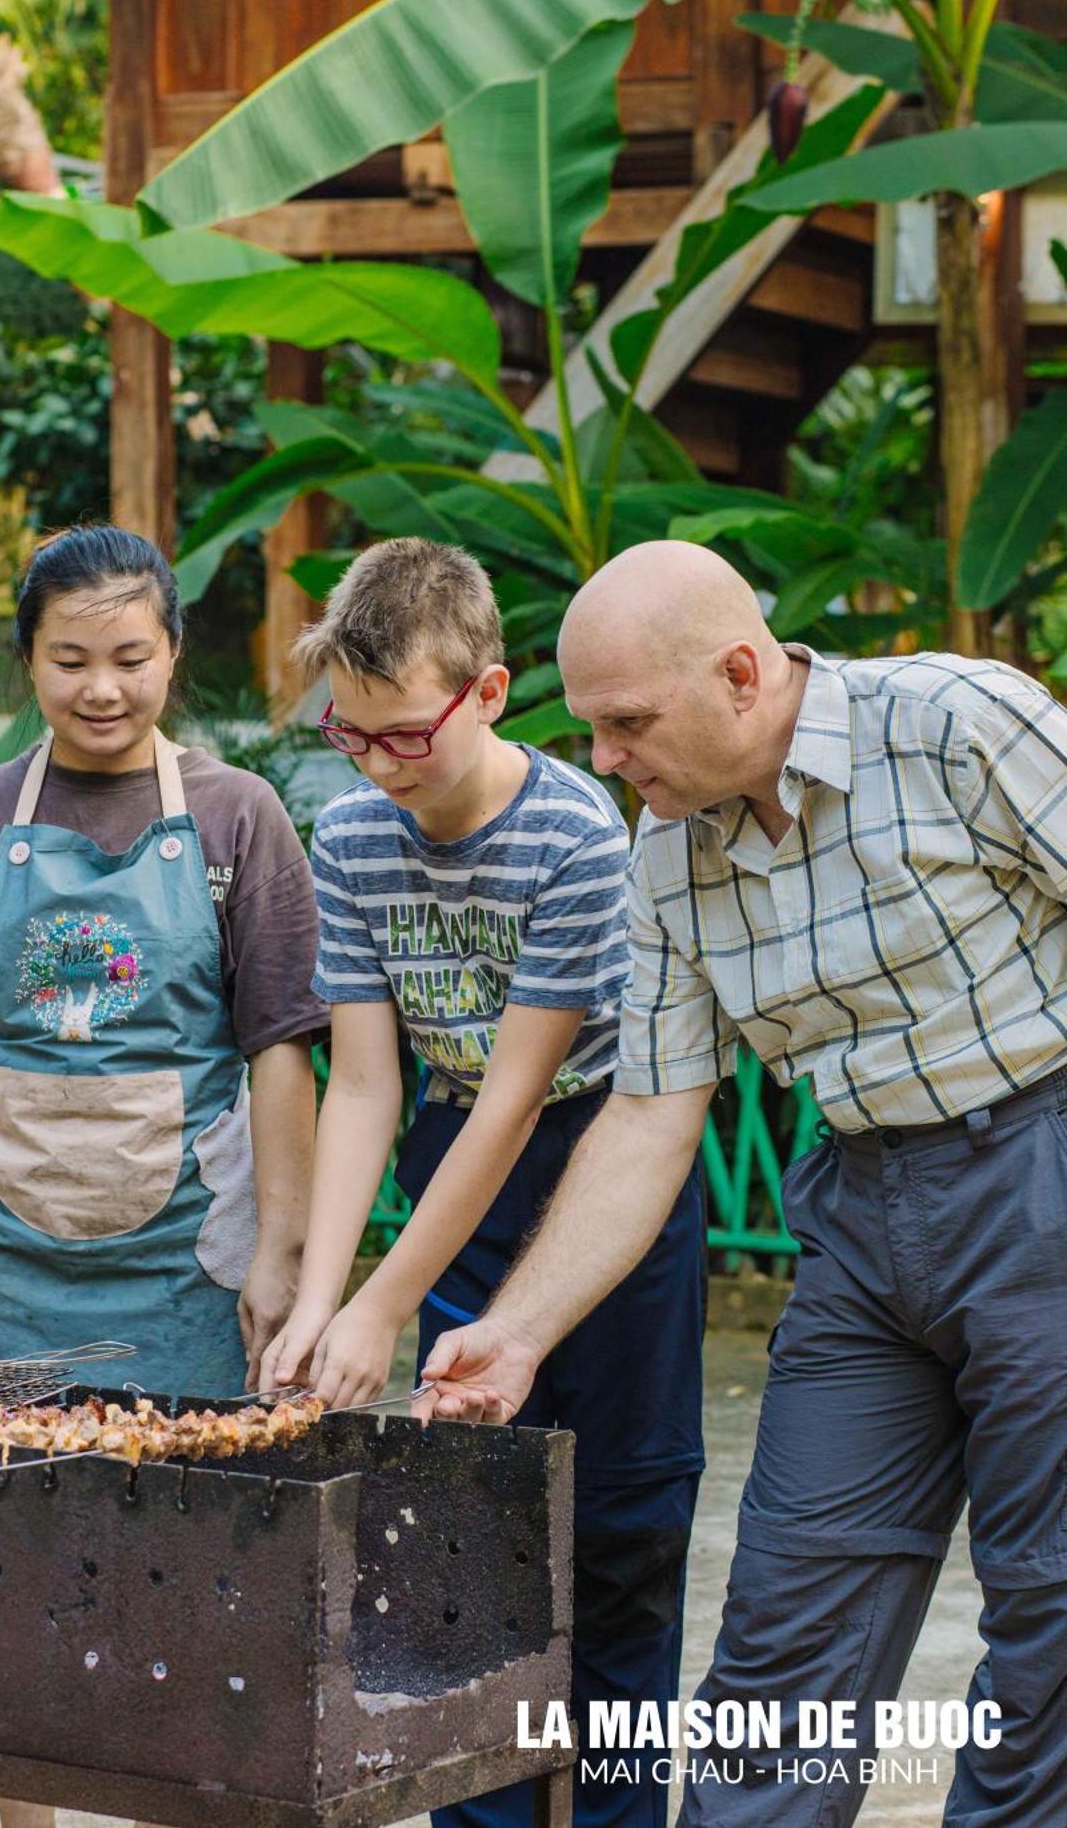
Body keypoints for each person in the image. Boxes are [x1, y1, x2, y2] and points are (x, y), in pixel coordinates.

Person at [421, 538, 1067, 1827]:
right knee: (783, 1631)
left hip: (1044, 1173)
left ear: (740, 673)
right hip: (865, 1223)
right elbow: (654, 1114)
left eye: (626, 723)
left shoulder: (953, 724)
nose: (602, 757)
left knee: (1052, 1627)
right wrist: (517, 1332)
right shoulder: (667, 857)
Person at [0, 525, 324, 1828]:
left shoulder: (237, 817)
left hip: (186, 1261)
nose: (100, 689)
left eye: (130, 656)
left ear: (175, 653)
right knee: (13, 1557)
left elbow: (285, 1052)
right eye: (69, 660)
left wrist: (282, 1258)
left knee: (185, 1560)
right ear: (26, 666)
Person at [260, 537, 706, 1828]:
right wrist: (325, 1296)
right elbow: (362, 1084)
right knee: (460, 1536)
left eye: (405, 735)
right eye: (352, 737)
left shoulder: (573, 830)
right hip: (446, 1160)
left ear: (490, 692)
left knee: (621, 1531)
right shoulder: (347, 833)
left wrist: (381, 1309)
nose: (380, 765)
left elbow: (520, 1096)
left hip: (599, 1173)